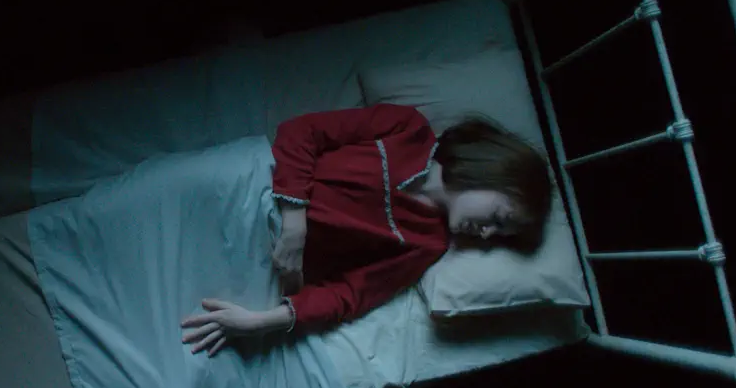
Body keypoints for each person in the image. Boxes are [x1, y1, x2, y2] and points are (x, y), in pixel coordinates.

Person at [181, 103, 553, 356]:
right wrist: (295, 225)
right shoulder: (408, 129)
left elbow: (349, 295)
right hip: (243, 187)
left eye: (499, 236)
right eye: (499, 218)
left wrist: (260, 322)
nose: (487, 234)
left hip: (252, 262)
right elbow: (302, 132)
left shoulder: (429, 244)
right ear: (491, 172)